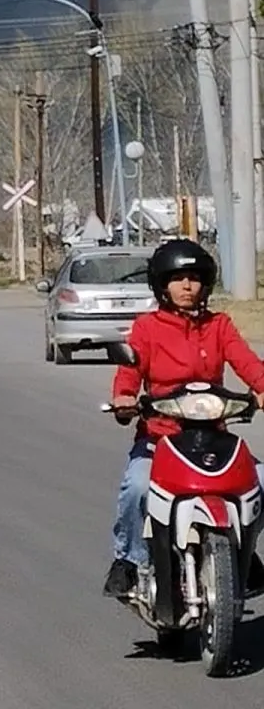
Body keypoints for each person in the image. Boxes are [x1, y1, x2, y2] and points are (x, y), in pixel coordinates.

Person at [104, 237, 264, 599]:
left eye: (194, 278)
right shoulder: (147, 328)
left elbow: (249, 364)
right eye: (178, 279)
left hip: (214, 436)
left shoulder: (219, 325)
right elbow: (130, 370)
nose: (187, 286)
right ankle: (127, 561)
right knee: (138, 488)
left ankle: (244, 551)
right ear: (162, 285)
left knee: (260, 482)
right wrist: (124, 398)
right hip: (161, 438)